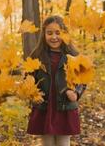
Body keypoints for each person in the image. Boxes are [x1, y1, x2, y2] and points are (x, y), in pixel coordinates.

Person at [27, 15, 86, 146]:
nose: (54, 37)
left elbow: (83, 79)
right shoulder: (37, 55)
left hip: (64, 107)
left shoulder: (73, 56)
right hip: (44, 106)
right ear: (44, 35)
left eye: (58, 33)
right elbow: (28, 78)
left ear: (64, 34)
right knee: (47, 143)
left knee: (63, 143)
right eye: (49, 33)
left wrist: (76, 92)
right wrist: (33, 94)